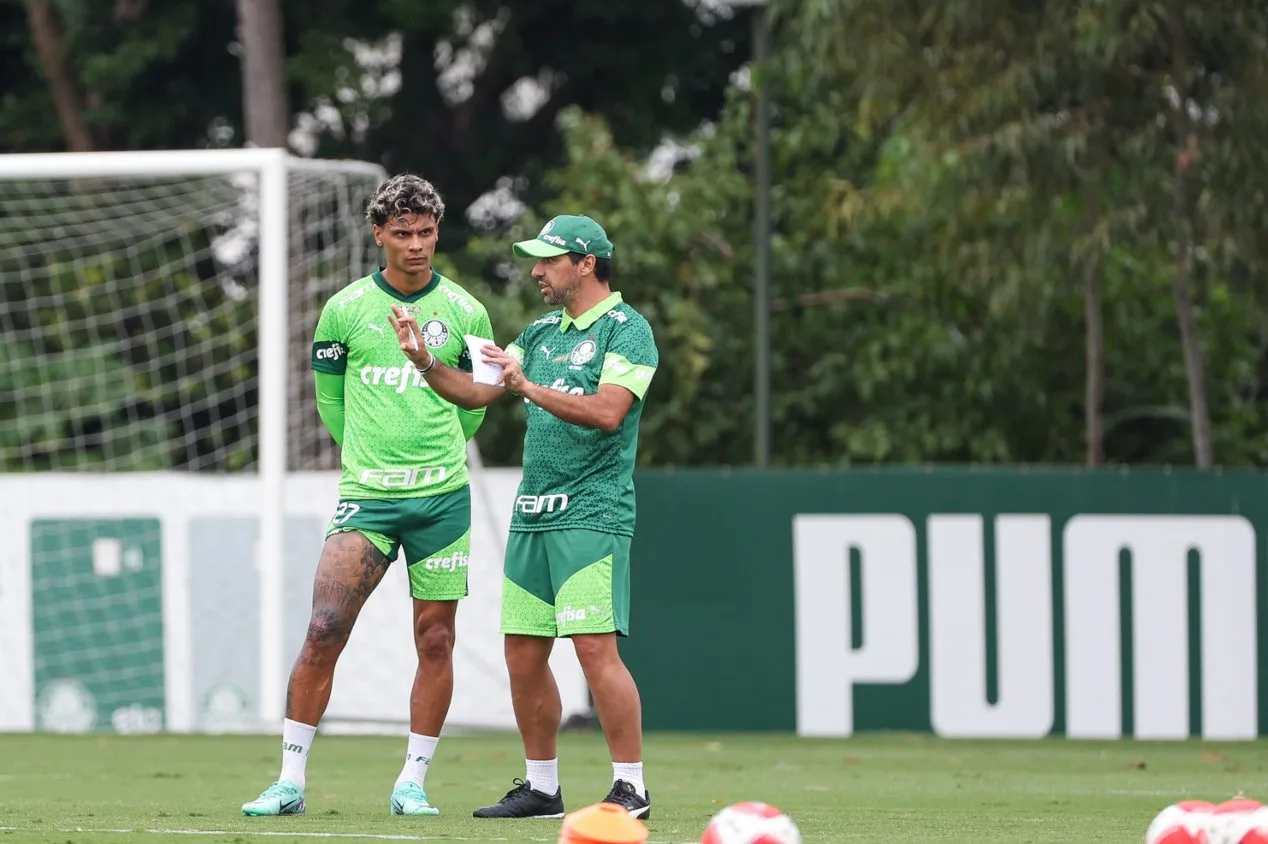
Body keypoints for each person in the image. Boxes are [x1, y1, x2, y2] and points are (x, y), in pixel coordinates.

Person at [387, 214, 658, 821]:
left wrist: (527, 387)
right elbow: (480, 391)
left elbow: (608, 412)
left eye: (548, 260)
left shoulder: (627, 330)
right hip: (533, 517)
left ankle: (632, 789)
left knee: (594, 650)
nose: (535, 270)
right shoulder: (537, 333)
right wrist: (425, 361)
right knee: (523, 655)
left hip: (593, 514)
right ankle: (542, 788)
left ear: (586, 264)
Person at [241, 174, 494, 818]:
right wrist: (369, 455)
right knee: (325, 628)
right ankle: (290, 781)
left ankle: (412, 782)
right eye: (403, 233)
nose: (416, 245)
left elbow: (476, 408)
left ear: (438, 231)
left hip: (443, 498)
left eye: (426, 232)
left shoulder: (465, 311)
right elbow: (330, 397)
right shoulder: (346, 309)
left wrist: (432, 447)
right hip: (367, 497)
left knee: (435, 639)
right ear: (378, 234)